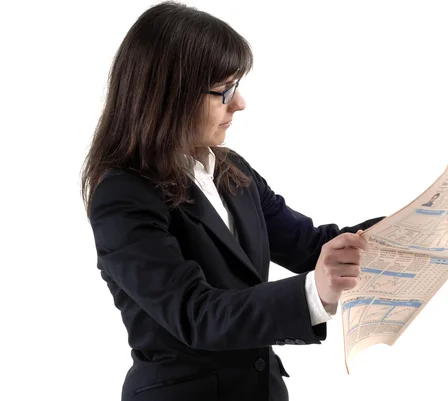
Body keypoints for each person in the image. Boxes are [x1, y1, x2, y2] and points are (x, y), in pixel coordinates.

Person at [81, 2, 384, 400]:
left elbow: (311, 247)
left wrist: (416, 224)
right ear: (169, 95)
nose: (239, 103)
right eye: (224, 91)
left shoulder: (230, 169)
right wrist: (315, 292)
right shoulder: (122, 195)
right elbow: (196, 314)